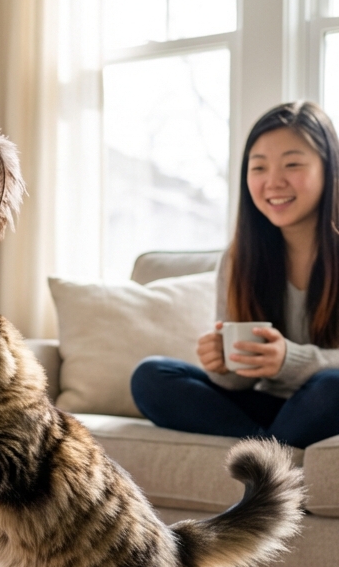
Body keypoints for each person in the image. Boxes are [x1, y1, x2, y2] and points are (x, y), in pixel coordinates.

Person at [131, 101, 339, 449]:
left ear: (330, 169)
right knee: (151, 377)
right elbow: (238, 386)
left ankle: (263, 460)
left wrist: (290, 361)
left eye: (292, 164)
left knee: (333, 387)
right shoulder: (239, 258)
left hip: (323, 400)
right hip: (269, 408)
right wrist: (223, 365)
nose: (273, 181)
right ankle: (269, 454)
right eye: (259, 167)